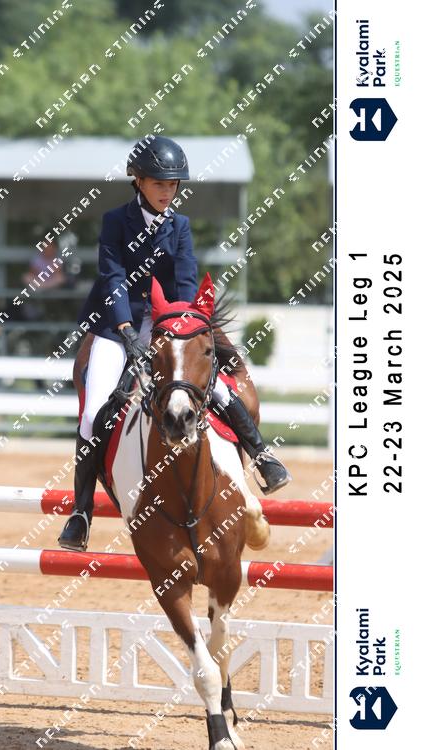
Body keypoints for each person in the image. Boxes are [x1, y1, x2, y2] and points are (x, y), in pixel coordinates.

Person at [58, 136, 290, 552]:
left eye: (173, 184)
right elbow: (112, 278)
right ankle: (81, 512)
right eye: (159, 184)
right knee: (93, 414)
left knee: (214, 388)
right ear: (139, 181)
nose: (167, 191)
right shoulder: (115, 221)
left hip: (168, 322)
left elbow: (185, 281)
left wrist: (181, 329)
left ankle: (262, 456)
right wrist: (127, 330)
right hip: (117, 324)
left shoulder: (179, 226)